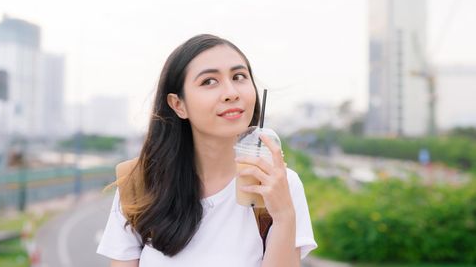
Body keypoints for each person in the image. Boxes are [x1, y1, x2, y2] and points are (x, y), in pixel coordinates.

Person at [97, 34, 317, 266]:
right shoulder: (140, 184)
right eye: (209, 81)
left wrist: (283, 216)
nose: (232, 92)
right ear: (178, 105)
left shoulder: (281, 185)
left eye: (239, 76)